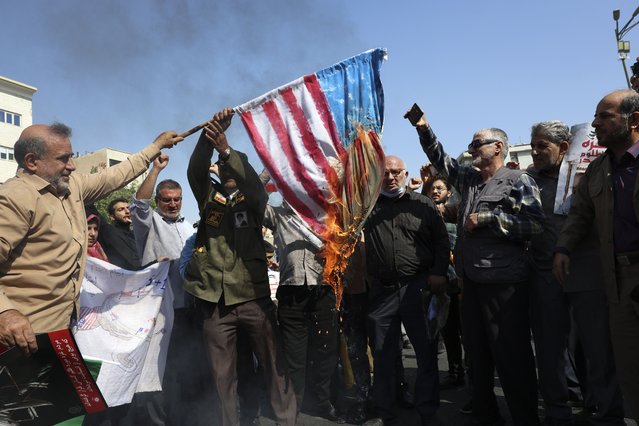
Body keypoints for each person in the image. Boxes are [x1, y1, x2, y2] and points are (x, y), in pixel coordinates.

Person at [409, 108, 544, 425]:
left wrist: (490, 219)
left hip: (504, 284)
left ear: (498, 147)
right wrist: (424, 128)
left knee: (511, 356)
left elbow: (535, 226)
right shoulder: (469, 179)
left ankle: (525, 418)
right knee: (478, 357)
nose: (470, 149)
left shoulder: (517, 180)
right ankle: (486, 415)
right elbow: (442, 160)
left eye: (477, 143)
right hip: (471, 283)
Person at [0, 122, 181, 355]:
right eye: (63, 159)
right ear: (32, 161)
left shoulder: (71, 187)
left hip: (62, 331)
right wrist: (5, 313)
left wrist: (155, 146)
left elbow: (115, 176)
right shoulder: (13, 198)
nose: (72, 166)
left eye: (72, 157)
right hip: (22, 338)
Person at [185, 108, 296, 426]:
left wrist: (226, 148)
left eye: (232, 163)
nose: (228, 169)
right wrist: (210, 138)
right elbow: (195, 169)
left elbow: (253, 183)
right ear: (217, 172)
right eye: (223, 165)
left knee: (274, 366)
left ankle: (287, 420)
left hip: (252, 297)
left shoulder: (255, 199)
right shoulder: (208, 197)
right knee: (222, 377)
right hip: (214, 302)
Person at [527, 120, 625, 425]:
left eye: (543, 145)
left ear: (565, 148)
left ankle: (606, 409)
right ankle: (558, 409)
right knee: (550, 346)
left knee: (597, 344)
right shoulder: (527, 180)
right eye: (534, 145)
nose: (536, 151)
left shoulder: (595, 173)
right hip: (545, 273)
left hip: (586, 269)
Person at [554, 89, 639, 421]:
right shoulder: (598, 169)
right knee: (628, 366)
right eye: (596, 116)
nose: (595, 123)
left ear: (633, 120)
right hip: (618, 280)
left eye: (605, 116)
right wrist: (563, 248)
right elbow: (580, 216)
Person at [362, 155, 450, 426]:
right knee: (383, 354)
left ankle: (427, 410)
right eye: (385, 172)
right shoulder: (367, 207)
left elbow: (441, 241)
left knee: (425, 353)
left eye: (396, 172)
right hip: (382, 292)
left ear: (405, 173)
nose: (390, 177)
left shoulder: (422, 205)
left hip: (418, 288)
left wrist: (438, 273)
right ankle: (384, 411)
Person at [129, 154, 202, 425]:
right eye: (166, 199)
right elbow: (138, 204)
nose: (172, 204)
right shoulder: (148, 225)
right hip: (160, 312)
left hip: (190, 309)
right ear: (159, 201)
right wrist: (155, 169)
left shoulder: (188, 227)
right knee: (159, 372)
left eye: (177, 199)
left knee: (188, 367)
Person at [263, 198, 342, 422]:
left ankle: (322, 401)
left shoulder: (329, 215)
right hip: (291, 292)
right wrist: (269, 168)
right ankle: (293, 405)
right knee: (293, 354)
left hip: (323, 291)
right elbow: (254, 200)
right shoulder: (278, 214)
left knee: (325, 351)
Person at [419, 167, 465, 391]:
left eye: (440, 188)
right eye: (432, 189)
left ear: (449, 192)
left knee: (466, 330)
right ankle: (455, 371)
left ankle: (473, 371)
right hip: (439, 282)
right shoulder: (425, 215)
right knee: (445, 329)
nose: (435, 191)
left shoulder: (456, 212)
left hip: (460, 281)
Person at [98, 197, 142, 270]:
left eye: (128, 208)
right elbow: (133, 262)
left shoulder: (135, 234)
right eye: (121, 209)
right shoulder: (110, 232)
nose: (127, 211)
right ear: (112, 217)